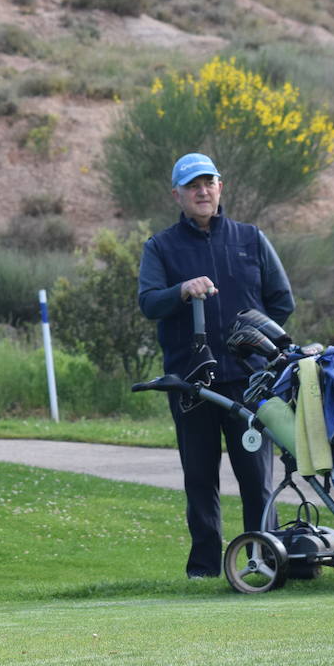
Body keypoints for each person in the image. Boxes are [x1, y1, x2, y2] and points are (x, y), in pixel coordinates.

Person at [137, 152, 295, 578]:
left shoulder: (250, 238)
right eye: (192, 186)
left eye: (208, 183)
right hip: (192, 385)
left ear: (220, 187)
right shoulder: (161, 246)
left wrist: (258, 344)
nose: (202, 191)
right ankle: (204, 570)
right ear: (177, 195)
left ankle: (263, 563)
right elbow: (149, 302)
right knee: (200, 478)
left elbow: (282, 301)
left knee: (256, 479)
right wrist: (182, 291)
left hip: (250, 383)